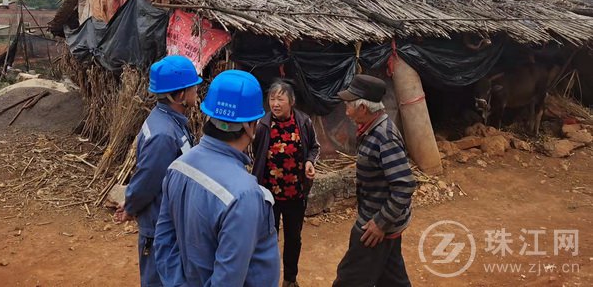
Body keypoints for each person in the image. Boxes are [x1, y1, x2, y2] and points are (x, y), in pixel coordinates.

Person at [154, 70, 280, 287]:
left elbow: (164, 242)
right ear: (251, 127)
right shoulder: (245, 194)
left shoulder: (178, 167)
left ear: (209, 116)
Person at [115, 55, 202, 287]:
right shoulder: (164, 134)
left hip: (170, 222)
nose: (197, 91)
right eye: (193, 87)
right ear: (180, 95)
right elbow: (147, 180)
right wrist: (131, 206)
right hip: (158, 228)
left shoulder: (171, 122)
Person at [332, 75, 416, 287]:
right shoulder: (371, 129)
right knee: (392, 279)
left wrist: (380, 223)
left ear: (363, 108)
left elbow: (404, 185)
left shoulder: (384, 136)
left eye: (349, 104)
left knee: (348, 279)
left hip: (375, 226)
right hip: (381, 220)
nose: (345, 109)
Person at [251, 79, 320, 287]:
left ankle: (290, 279)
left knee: (293, 239)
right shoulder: (263, 125)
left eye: (280, 99)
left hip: (296, 194)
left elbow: (314, 148)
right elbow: (255, 153)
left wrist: (309, 162)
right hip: (268, 195)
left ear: (291, 101)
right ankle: (266, 279)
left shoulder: (304, 122)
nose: (275, 103)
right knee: (266, 238)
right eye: (272, 99)